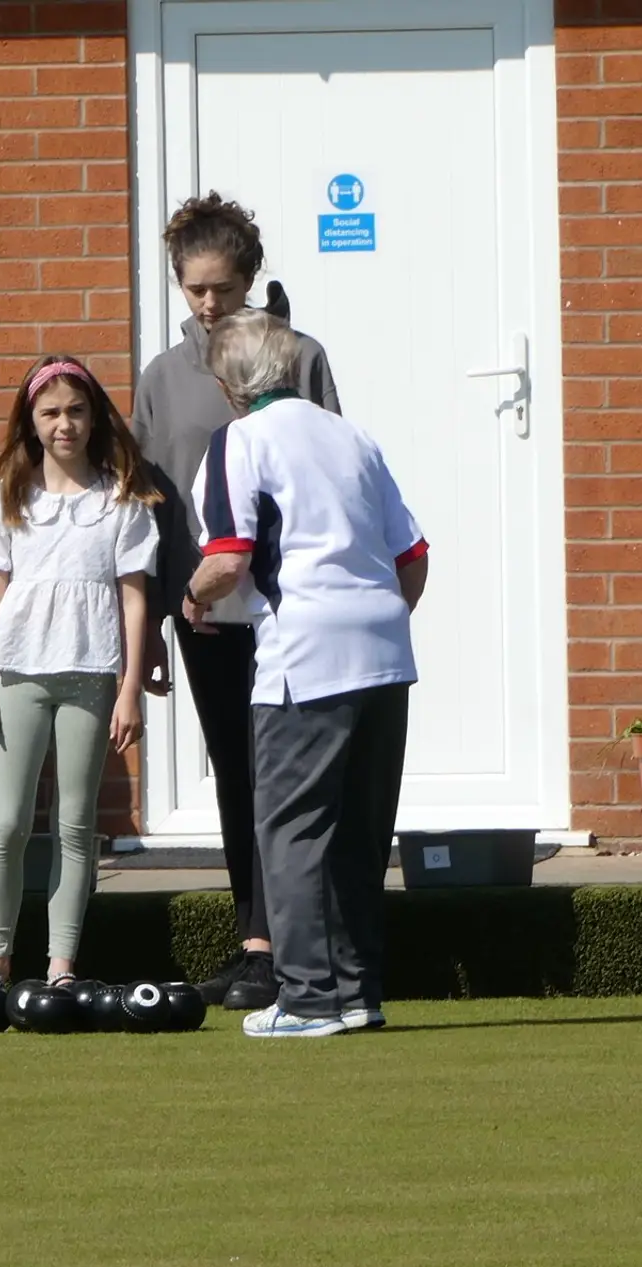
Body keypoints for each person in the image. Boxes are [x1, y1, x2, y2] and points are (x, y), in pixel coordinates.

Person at [182, 309, 428, 1038]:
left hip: (303, 655)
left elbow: (227, 558)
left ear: (230, 385)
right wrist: (378, 617)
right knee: (360, 831)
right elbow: (412, 558)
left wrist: (190, 599)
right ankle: (357, 994)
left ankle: (308, 999)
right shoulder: (353, 435)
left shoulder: (239, 440)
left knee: (288, 828)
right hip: (384, 652)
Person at [129, 193, 341, 1012]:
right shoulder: (162, 379)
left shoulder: (303, 357)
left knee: (290, 772)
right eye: (195, 290)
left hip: (291, 604)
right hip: (202, 609)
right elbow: (148, 510)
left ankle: (301, 943)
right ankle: (258, 943)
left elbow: (331, 468)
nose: (209, 304)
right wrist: (147, 626)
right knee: (237, 770)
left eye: (222, 287)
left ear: (250, 278)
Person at [0, 356, 159, 999]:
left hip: (92, 673)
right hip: (19, 673)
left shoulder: (121, 498)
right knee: (6, 822)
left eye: (76, 410)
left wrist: (129, 690)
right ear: (31, 422)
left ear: (94, 416)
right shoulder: (9, 496)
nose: (65, 424)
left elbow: (134, 598)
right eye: (50, 413)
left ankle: (63, 964)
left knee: (74, 821)